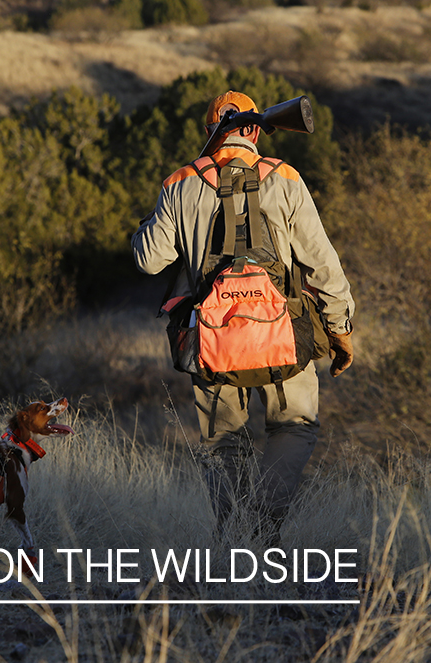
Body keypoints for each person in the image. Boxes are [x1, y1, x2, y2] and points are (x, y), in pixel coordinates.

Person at [132, 90, 355, 544]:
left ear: (210, 130)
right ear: (256, 130)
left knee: (223, 443)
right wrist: (340, 328)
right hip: (286, 336)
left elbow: (149, 260)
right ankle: (263, 524)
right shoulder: (286, 177)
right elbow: (323, 263)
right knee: (294, 427)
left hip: (212, 342)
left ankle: (234, 536)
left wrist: (146, 224)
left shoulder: (180, 182)